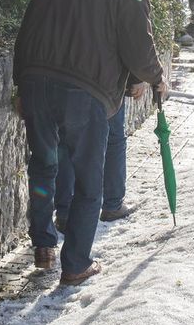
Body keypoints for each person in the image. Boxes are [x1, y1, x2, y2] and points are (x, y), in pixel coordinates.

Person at [13, 0, 169, 286]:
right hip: (84, 94)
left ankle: (43, 244)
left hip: (36, 84)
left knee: (44, 166)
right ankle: (75, 264)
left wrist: (20, 84)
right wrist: (156, 77)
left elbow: (26, 31)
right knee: (88, 182)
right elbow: (137, 48)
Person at [53, 77, 148, 232]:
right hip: (108, 78)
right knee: (113, 139)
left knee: (67, 139)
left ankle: (66, 212)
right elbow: (135, 51)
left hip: (70, 74)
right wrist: (140, 77)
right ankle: (112, 204)